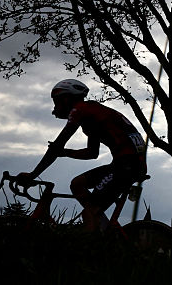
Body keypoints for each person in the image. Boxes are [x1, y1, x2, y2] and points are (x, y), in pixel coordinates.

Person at [15, 79, 147, 232]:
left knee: (89, 214)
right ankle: (104, 232)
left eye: (57, 101)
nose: (55, 107)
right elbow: (92, 153)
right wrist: (65, 153)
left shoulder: (80, 109)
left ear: (67, 98)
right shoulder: (93, 114)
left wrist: (33, 175)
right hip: (127, 164)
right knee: (77, 184)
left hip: (126, 165)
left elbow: (57, 145)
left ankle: (90, 249)